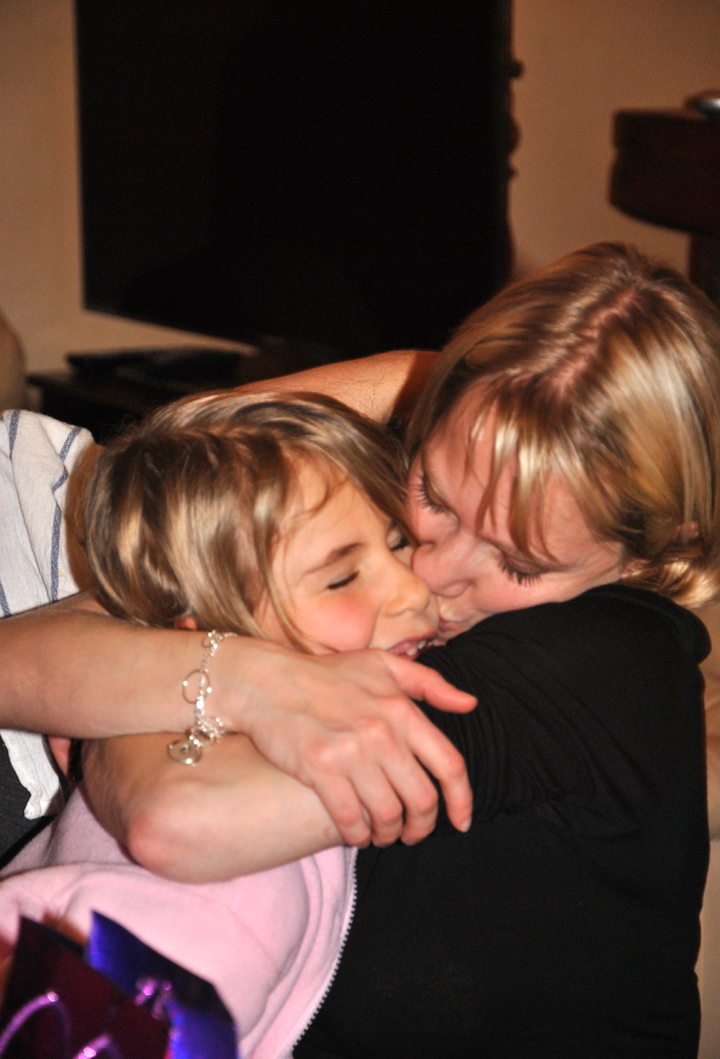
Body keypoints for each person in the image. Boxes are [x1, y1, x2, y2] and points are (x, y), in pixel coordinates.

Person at [0, 241, 719, 1054]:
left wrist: (139, 697)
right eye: (434, 498)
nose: (431, 576)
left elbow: (177, 816)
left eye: (518, 564)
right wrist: (234, 673)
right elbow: (108, 574)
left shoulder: (610, 662)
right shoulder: (382, 511)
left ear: (651, 557)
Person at [0, 390, 445, 1057]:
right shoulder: (235, 887)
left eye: (400, 541)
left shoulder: (158, 713)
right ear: (201, 621)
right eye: (340, 579)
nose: (412, 590)